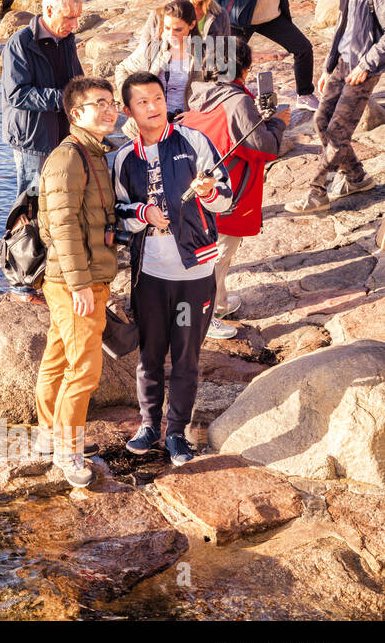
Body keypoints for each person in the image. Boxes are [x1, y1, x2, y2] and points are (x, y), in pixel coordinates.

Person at [113, 72, 233, 466]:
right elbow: (117, 214)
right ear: (128, 111)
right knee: (149, 355)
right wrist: (143, 213)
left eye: (158, 98)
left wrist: (209, 191)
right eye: (143, 102)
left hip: (195, 274)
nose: (154, 107)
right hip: (149, 275)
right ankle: (149, 425)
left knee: (186, 357)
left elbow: (226, 200)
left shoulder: (193, 141)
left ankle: (177, 432)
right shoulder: (123, 159)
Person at [33, 76, 120, 488]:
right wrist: (81, 284)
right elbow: (62, 226)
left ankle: (49, 435)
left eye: (112, 102)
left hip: (78, 278)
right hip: (74, 282)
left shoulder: (93, 153)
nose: (109, 109)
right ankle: (68, 452)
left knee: (57, 357)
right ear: (75, 114)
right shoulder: (69, 158)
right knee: (85, 368)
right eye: (98, 103)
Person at [183, 38, 289, 340]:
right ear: (244, 67)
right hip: (227, 192)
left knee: (216, 251)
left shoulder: (202, 92)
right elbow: (264, 147)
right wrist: (279, 124)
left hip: (203, 186)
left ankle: (220, 300)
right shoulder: (237, 102)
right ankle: (204, 316)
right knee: (219, 253)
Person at [288, 0, 384, 213]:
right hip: (341, 64)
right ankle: (355, 177)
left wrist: (366, 66)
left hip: (362, 69)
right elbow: (343, 27)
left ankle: (317, 190)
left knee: (338, 132)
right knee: (321, 122)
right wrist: (327, 67)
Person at [1, 0, 85, 301]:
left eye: (77, 17)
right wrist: (64, 98)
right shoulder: (20, 43)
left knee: (58, 207)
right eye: (69, 18)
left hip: (62, 135)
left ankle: (46, 274)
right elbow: (17, 94)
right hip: (32, 140)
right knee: (30, 209)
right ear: (48, 11)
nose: (74, 24)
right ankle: (21, 284)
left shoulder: (67, 38)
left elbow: (74, 79)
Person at [115, 0, 203, 121]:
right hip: (150, 122)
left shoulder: (204, 54)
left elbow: (215, 92)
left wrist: (196, 114)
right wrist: (132, 98)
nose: (171, 34)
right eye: (167, 28)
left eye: (178, 29)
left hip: (189, 124)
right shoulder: (153, 49)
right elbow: (122, 69)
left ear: (192, 25)